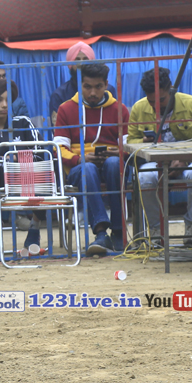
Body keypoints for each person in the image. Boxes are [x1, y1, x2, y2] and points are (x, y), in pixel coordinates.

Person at [127, 66, 192, 247]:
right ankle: (156, 230)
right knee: (144, 177)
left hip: (189, 161)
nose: (156, 106)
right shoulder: (138, 108)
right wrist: (144, 141)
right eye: (151, 102)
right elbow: (130, 143)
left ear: (171, 90)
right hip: (156, 163)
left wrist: (185, 159)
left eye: (161, 100)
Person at [54, 62, 128, 256]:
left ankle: (118, 231)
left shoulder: (119, 109)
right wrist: (80, 159)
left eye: (98, 86)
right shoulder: (66, 109)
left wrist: (117, 153)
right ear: (80, 85)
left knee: (114, 164)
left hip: (112, 163)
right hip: (79, 166)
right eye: (87, 87)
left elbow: (128, 146)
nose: (93, 92)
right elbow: (58, 148)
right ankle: (101, 232)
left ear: (106, 85)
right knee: (88, 169)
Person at [0, 78, 45, 255]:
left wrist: (8, 158)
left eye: (7, 100)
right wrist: (17, 156)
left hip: (27, 175)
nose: (5, 105)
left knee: (44, 172)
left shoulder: (23, 122)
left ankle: (34, 228)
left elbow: (39, 153)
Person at [48, 41, 115, 128]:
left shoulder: (108, 90)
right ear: (70, 64)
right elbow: (57, 129)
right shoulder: (59, 94)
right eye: (77, 60)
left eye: (85, 59)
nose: (81, 64)